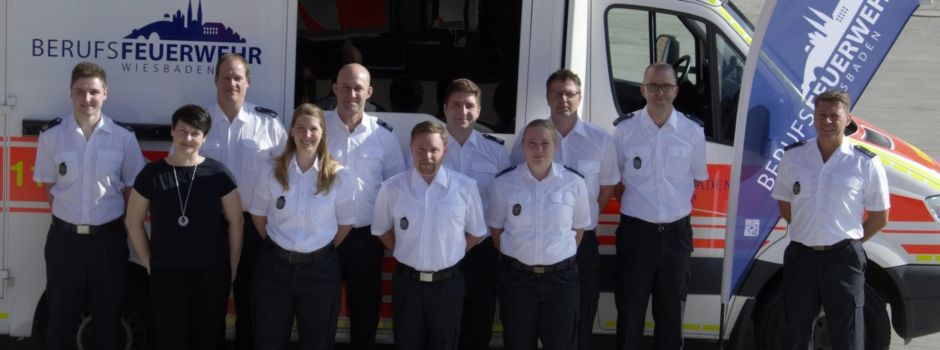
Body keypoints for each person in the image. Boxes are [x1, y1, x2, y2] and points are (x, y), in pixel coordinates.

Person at [33, 61, 146, 350]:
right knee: (60, 320)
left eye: (93, 92)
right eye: (80, 91)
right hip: (64, 241)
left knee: (108, 322)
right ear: (70, 93)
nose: (87, 99)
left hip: (108, 242)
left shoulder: (123, 138)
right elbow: (50, 187)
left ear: (105, 93)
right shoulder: (51, 136)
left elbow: (132, 189)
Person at [771, 90, 889, 350]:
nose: (826, 121)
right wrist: (809, 231)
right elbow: (784, 202)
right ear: (813, 117)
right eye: (821, 115)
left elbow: (880, 216)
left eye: (833, 116)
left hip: (843, 259)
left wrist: (850, 242)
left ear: (847, 119)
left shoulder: (865, 163)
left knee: (848, 338)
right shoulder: (794, 157)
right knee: (795, 336)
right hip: (801, 257)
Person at [509, 69, 618, 349]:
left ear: (580, 97)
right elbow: (513, 181)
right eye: (557, 93)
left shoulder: (600, 139)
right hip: (537, 245)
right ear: (547, 97)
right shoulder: (529, 136)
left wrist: (583, 220)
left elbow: (607, 186)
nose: (563, 99)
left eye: (569, 93)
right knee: (528, 326)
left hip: (583, 243)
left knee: (581, 314)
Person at [125, 104, 244, 350]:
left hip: (211, 274)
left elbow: (237, 222)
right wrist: (149, 261)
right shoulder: (151, 174)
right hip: (167, 275)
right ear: (172, 131)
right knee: (170, 339)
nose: (187, 138)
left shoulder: (219, 174)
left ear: (204, 137)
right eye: (182, 131)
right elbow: (132, 221)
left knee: (209, 338)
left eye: (195, 133)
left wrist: (231, 268)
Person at [612, 62, 708, 350]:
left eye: (666, 86)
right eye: (653, 86)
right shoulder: (624, 130)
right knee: (630, 312)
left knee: (671, 316)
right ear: (642, 89)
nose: (659, 92)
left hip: (676, 237)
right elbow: (616, 182)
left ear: (676, 91)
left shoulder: (692, 131)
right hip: (636, 235)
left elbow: (698, 180)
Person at [249, 104, 357, 350]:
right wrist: (281, 246)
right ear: (291, 131)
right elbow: (258, 216)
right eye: (300, 128)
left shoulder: (339, 176)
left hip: (319, 271)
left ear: (323, 134)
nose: (306, 135)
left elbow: (345, 224)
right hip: (274, 270)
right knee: (269, 340)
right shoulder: (271, 171)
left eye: (313, 129)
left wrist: (318, 250)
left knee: (318, 342)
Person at [372, 121, 487, 350]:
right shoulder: (391, 188)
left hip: (448, 285)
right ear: (411, 150)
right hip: (408, 284)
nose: (427, 156)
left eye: (434, 149)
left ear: (445, 150)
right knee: (406, 343)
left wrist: (451, 253)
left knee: (446, 343)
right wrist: (405, 251)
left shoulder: (465, 188)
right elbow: (381, 229)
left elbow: (476, 233)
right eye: (420, 149)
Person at [200, 53, 287, 350]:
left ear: (248, 82)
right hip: (209, 226)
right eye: (225, 77)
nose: (231, 83)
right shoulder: (199, 123)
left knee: (252, 305)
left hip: (253, 227)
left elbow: (287, 177)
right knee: (208, 305)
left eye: (238, 77)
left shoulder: (269, 124)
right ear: (215, 81)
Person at [488, 119, 591, 350]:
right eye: (531, 143)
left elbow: (579, 228)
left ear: (556, 146)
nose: (538, 149)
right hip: (517, 280)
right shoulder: (504, 183)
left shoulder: (574, 183)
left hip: (561, 282)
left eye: (545, 143)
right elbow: (496, 230)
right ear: (523, 146)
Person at [325, 63, 406, 350]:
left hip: (366, 238)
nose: (351, 94)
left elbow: (396, 188)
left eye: (358, 88)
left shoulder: (384, 136)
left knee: (365, 312)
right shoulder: (316, 128)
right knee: (321, 313)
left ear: (369, 92)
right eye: (345, 86)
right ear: (334, 88)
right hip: (324, 236)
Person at [427, 78, 512, 350]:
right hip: (441, 249)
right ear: (444, 108)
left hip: (482, 251)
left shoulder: (496, 151)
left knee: (478, 323)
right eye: (456, 105)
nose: (462, 112)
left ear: (478, 110)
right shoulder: (428, 151)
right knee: (440, 326)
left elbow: (506, 201)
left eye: (469, 106)